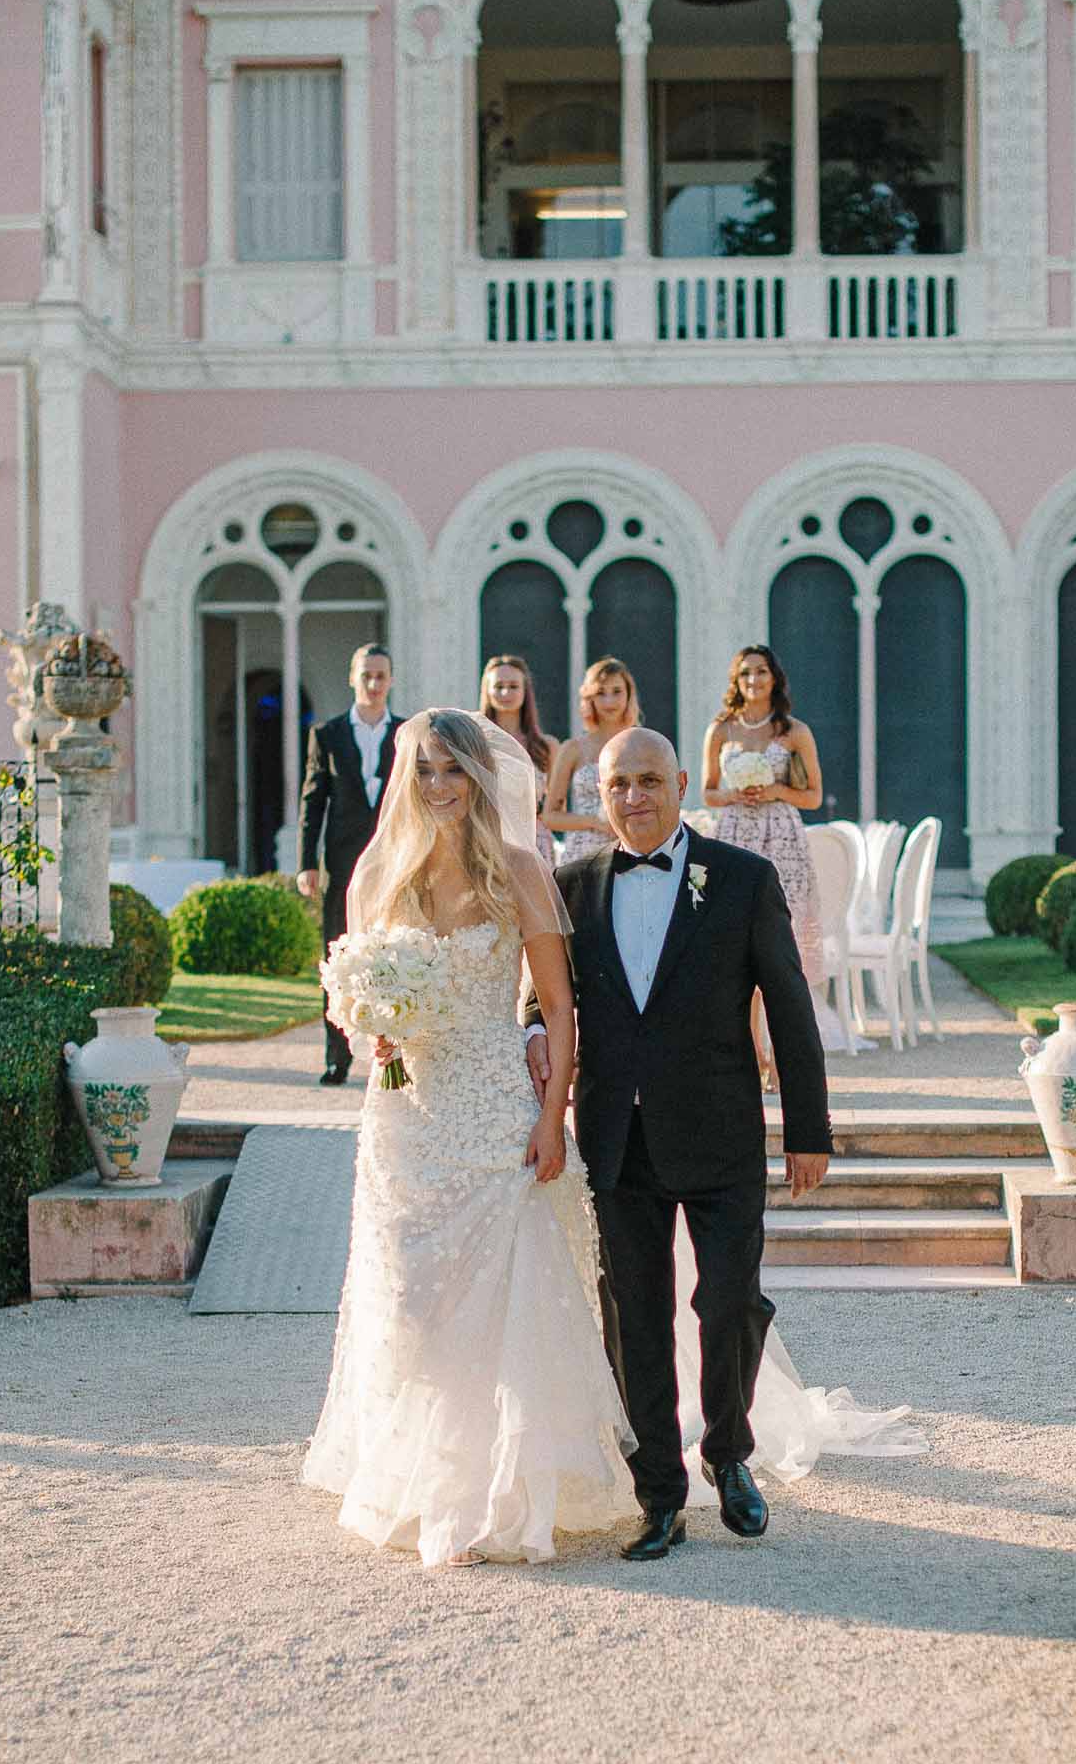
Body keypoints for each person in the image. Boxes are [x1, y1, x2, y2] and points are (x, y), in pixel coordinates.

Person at [527, 726, 925, 1562]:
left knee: (732, 1302)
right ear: (599, 794)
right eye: (616, 785)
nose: (632, 797)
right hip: (617, 1137)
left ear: (679, 782)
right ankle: (660, 1495)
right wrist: (532, 1044)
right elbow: (546, 1005)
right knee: (633, 1317)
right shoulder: (570, 888)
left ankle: (729, 1452)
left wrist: (808, 1131)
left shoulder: (742, 879)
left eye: (647, 780)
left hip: (721, 1129)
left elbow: (788, 1005)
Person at [301, 709, 639, 1566]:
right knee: (413, 1296)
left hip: (494, 1106)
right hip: (407, 1112)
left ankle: (509, 1489)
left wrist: (554, 1110)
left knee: (503, 1295)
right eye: (424, 771)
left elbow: (560, 1007)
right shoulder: (382, 875)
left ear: (482, 780)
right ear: (404, 781)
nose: (440, 786)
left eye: (454, 771)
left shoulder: (521, 871)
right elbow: (353, 988)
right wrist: (368, 1029)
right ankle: (427, 1478)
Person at [702, 643, 850, 1080]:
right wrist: (734, 794)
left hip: (782, 837)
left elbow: (815, 796)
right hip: (734, 835)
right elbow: (706, 791)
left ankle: (786, 1057)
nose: (753, 681)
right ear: (736, 681)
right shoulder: (722, 730)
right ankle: (752, 1054)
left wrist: (776, 791)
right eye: (745, 674)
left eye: (761, 672)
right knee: (736, 949)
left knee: (780, 948)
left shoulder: (794, 731)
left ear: (774, 677)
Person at [296, 645, 404, 1086]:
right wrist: (307, 863)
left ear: (391, 680)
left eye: (381, 676)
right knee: (337, 956)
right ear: (352, 678)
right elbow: (313, 801)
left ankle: (396, 1054)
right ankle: (337, 1057)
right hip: (342, 864)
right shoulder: (327, 734)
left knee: (396, 956)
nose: (374, 685)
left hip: (395, 862)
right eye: (367, 677)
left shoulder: (405, 733)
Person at [542, 655, 637, 866]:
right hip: (582, 855)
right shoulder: (573, 749)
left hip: (632, 850)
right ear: (589, 698)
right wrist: (596, 822)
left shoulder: (641, 743)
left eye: (617, 692)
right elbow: (550, 816)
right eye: (601, 693)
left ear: (629, 694)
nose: (609, 701)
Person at [479, 654, 558, 860]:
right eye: (498, 686)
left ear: (525, 691)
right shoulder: (475, 742)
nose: (506, 692)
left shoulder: (546, 746)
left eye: (513, 686)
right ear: (487, 691)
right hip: (490, 840)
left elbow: (557, 807)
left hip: (535, 842)